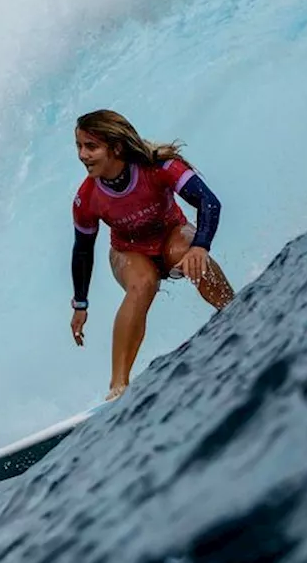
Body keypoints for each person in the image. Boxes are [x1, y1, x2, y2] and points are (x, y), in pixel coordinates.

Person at [69, 109, 234, 401]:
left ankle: (234, 310)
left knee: (183, 250)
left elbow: (209, 202)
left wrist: (201, 246)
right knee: (142, 284)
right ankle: (118, 386)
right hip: (129, 251)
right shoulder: (87, 198)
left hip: (173, 236)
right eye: (79, 146)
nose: (82, 155)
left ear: (116, 148)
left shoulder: (160, 167)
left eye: (91, 146)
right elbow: (83, 250)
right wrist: (80, 304)